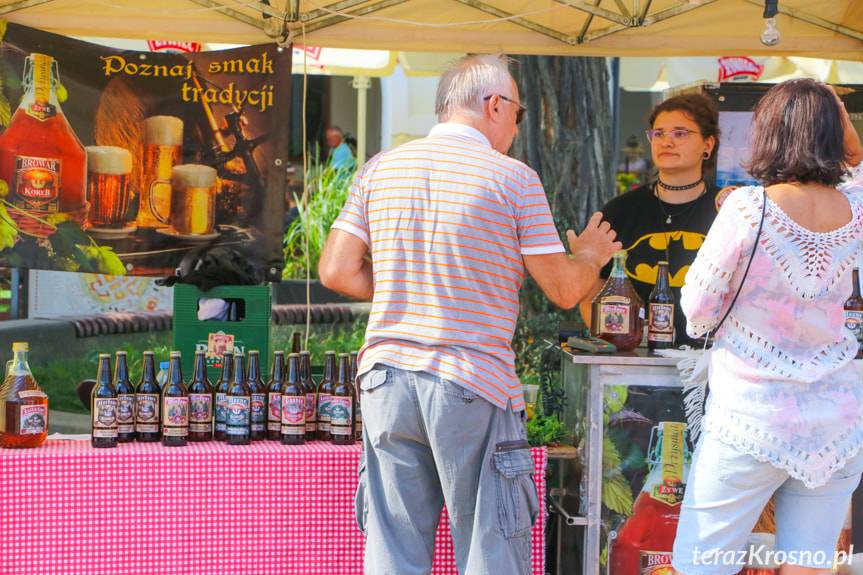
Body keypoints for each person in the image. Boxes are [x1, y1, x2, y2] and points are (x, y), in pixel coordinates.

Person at [318, 54, 620, 574]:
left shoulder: (380, 167)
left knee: (393, 544)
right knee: (489, 545)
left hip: (386, 378)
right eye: (518, 116)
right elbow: (565, 290)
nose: (516, 129)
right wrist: (592, 255)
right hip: (469, 376)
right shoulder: (513, 179)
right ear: (495, 105)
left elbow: (337, 272)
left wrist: (407, 289)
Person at [672, 79, 863, 575]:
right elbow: (858, 165)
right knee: (809, 565)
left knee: (702, 563)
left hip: (750, 421)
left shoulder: (747, 207)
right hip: (836, 422)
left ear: (768, 133)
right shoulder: (858, 208)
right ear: (831, 135)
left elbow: (697, 311)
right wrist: (839, 119)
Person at [579, 94, 721, 347]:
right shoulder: (620, 211)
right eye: (659, 134)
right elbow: (592, 288)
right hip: (637, 362)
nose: (667, 142)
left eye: (680, 133)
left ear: (708, 145)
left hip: (711, 360)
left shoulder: (728, 212)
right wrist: (613, 343)